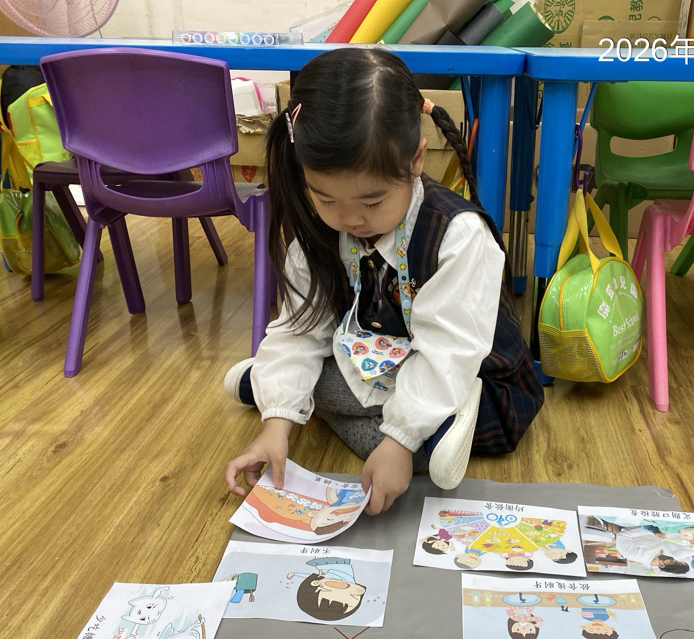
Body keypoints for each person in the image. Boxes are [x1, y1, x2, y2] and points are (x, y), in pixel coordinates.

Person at [223, 47, 544, 516]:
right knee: (312, 368)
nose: (350, 219)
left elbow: (448, 351)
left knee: (362, 422)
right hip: (382, 356)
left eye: (372, 202)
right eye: (325, 199)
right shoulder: (320, 233)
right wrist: (274, 429)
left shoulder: (456, 235)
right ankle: (283, 396)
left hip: (476, 373)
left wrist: (398, 441)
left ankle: (279, 389)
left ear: (416, 158)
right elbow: (301, 330)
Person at [606, 523, 692, 574]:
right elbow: (687, 552)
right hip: (653, 526)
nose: (674, 559)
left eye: (673, 561)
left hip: (636, 524)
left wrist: (653, 531)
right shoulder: (665, 558)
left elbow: (622, 536)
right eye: (677, 560)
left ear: (661, 565)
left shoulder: (632, 554)